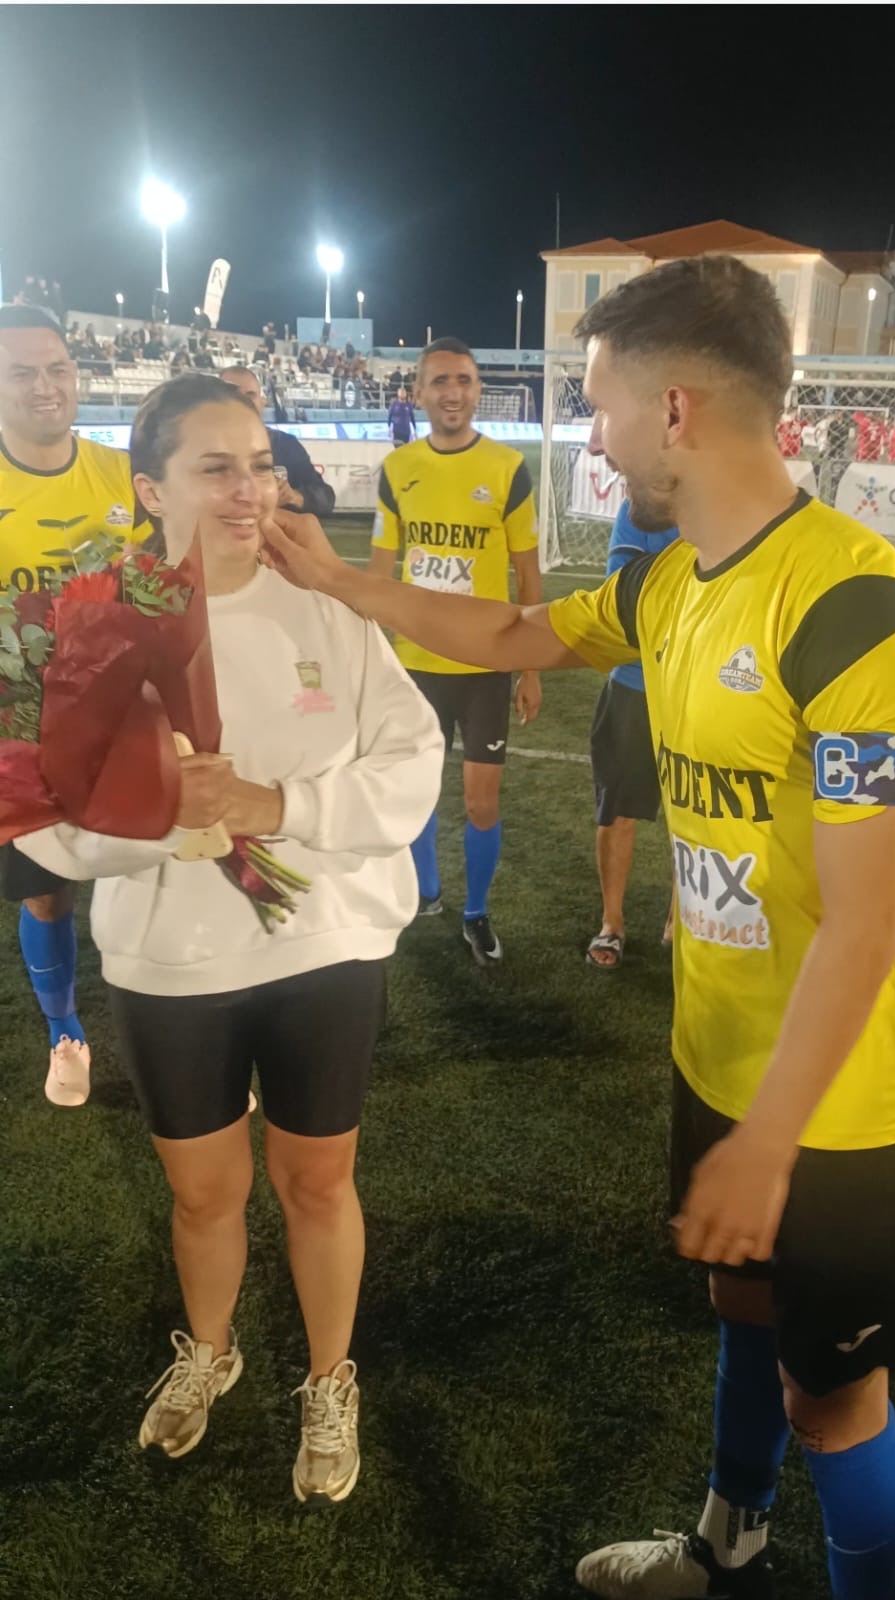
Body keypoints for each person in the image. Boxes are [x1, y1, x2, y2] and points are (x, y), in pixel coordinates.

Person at [261, 257, 895, 1600]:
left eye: (599, 405)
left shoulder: (857, 605)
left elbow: (867, 927)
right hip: (718, 1054)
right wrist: (344, 584)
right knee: (739, 1308)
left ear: (675, 408)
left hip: (840, 1107)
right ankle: (727, 1545)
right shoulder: (670, 580)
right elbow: (515, 630)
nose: (593, 435)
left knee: (832, 1401)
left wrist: (769, 1140)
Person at [13, 373, 443, 1503]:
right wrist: (162, 820)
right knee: (204, 1196)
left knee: (318, 1183)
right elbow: (46, 818)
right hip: (173, 963)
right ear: (149, 488)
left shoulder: (330, 607)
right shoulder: (85, 627)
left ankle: (330, 1377)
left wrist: (275, 806)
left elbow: (412, 763)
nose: (251, 489)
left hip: (327, 951)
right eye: (216, 468)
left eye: (260, 465)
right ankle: (211, 1350)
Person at [0, 302, 148, 1108]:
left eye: (57, 368)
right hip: (20, 734)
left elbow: (162, 590)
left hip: (123, 722)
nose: (44, 385)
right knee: (46, 888)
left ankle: (173, 1032)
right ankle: (64, 1032)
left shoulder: (123, 476)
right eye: (21, 371)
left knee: (151, 876)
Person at [366, 336, 543, 966]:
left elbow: (528, 575)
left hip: (486, 664)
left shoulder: (507, 467)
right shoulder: (397, 470)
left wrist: (530, 665)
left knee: (479, 801)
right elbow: (380, 572)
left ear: (477, 390)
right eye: (440, 380)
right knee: (417, 792)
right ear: (418, 392)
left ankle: (476, 911)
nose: (453, 392)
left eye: (463, 380)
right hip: (416, 663)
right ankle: (427, 891)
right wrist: (372, 658)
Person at [586, 498, 679, 970]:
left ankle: (680, 920)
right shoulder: (640, 508)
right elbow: (621, 594)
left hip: (698, 689)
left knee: (696, 817)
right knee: (617, 811)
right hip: (634, 685)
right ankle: (612, 922)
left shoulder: (723, 508)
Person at [221, 365, 336, 517]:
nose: (244, 402)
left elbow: (326, 498)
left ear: (262, 402)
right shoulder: (198, 446)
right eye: (234, 395)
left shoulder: (285, 444)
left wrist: (294, 496)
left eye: (250, 395)